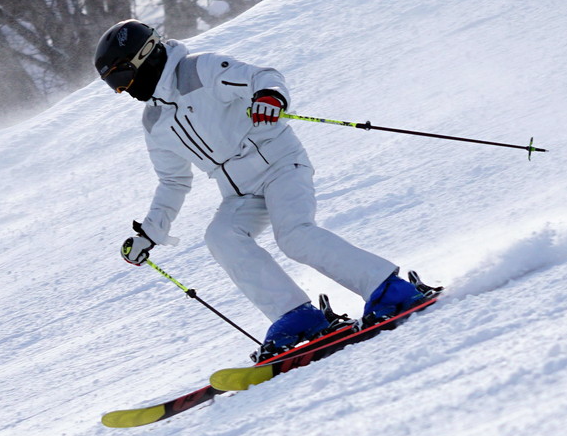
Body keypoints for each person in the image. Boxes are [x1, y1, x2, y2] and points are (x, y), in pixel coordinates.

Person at [95, 19, 425, 358]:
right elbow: (173, 181)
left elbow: (262, 76)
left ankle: (389, 288)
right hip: (239, 193)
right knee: (221, 237)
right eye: (114, 86)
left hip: (280, 165)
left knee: (294, 235)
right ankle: (296, 316)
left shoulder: (200, 70)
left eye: (121, 79)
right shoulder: (154, 121)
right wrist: (149, 234)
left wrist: (269, 97)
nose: (124, 91)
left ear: (145, 55)